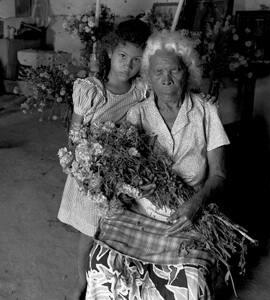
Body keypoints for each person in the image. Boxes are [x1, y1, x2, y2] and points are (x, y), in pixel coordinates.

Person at [85, 31, 230, 299]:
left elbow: (219, 174)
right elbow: (124, 168)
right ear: (148, 76)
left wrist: (195, 205)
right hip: (142, 211)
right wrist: (133, 186)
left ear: (188, 72)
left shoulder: (206, 111)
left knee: (190, 284)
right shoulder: (138, 113)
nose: (166, 78)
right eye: (158, 71)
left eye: (174, 70)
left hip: (190, 213)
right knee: (102, 265)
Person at [57, 19, 151, 299]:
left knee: (116, 232)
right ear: (110, 52)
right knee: (90, 232)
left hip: (123, 173)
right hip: (93, 176)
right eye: (123, 56)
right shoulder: (91, 90)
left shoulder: (140, 91)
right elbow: (75, 134)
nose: (128, 65)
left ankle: (110, 284)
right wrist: (83, 164)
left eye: (136, 60)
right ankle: (81, 282)